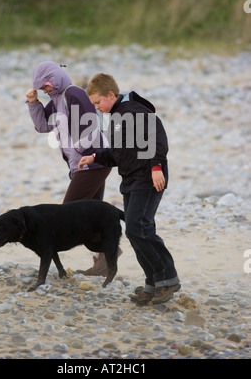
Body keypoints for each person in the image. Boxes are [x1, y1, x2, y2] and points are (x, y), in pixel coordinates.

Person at [78, 73, 180, 305]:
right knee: (137, 232)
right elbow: (117, 153)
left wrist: (156, 166)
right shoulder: (115, 116)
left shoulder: (134, 111)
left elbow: (157, 137)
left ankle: (168, 279)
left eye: (97, 102)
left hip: (149, 178)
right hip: (131, 180)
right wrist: (94, 156)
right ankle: (153, 284)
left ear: (111, 95)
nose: (97, 108)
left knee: (137, 229)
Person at [26, 61, 113, 276]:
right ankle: (106, 260)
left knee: (67, 215)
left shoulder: (74, 94)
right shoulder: (56, 100)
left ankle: (59, 266)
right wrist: (33, 103)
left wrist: (87, 155)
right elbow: (42, 126)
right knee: (91, 217)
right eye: (41, 88)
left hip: (93, 163)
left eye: (45, 86)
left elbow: (90, 125)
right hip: (83, 166)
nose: (44, 90)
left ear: (54, 78)